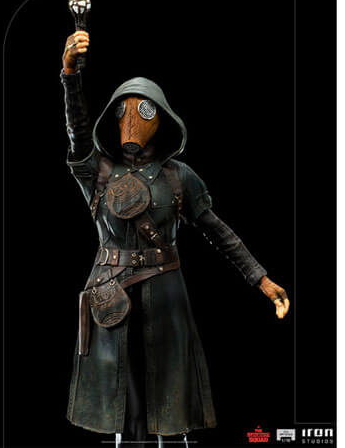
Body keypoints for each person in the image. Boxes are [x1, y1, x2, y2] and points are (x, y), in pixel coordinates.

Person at [61, 30, 290, 445]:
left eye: (144, 110)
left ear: (161, 118)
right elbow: (77, 133)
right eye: (124, 110)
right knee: (121, 392)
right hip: (109, 292)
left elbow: (218, 231)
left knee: (168, 387)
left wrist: (261, 278)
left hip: (165, 294)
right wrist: (70, 74)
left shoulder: (178, 176)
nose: (132, 119)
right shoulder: (100, 173)